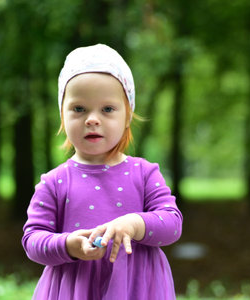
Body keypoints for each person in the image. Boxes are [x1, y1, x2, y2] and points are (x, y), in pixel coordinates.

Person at [22, 44, 183, 300]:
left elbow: (172, 224)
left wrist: (133, 224)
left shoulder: (144, 173)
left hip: (136, 289)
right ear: (62, 116)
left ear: (127, 116)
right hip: (75, 288)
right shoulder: (54, 182)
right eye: (79, 109)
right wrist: (68, 245)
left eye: (107, 109)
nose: (92, 119)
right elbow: (33, 241)